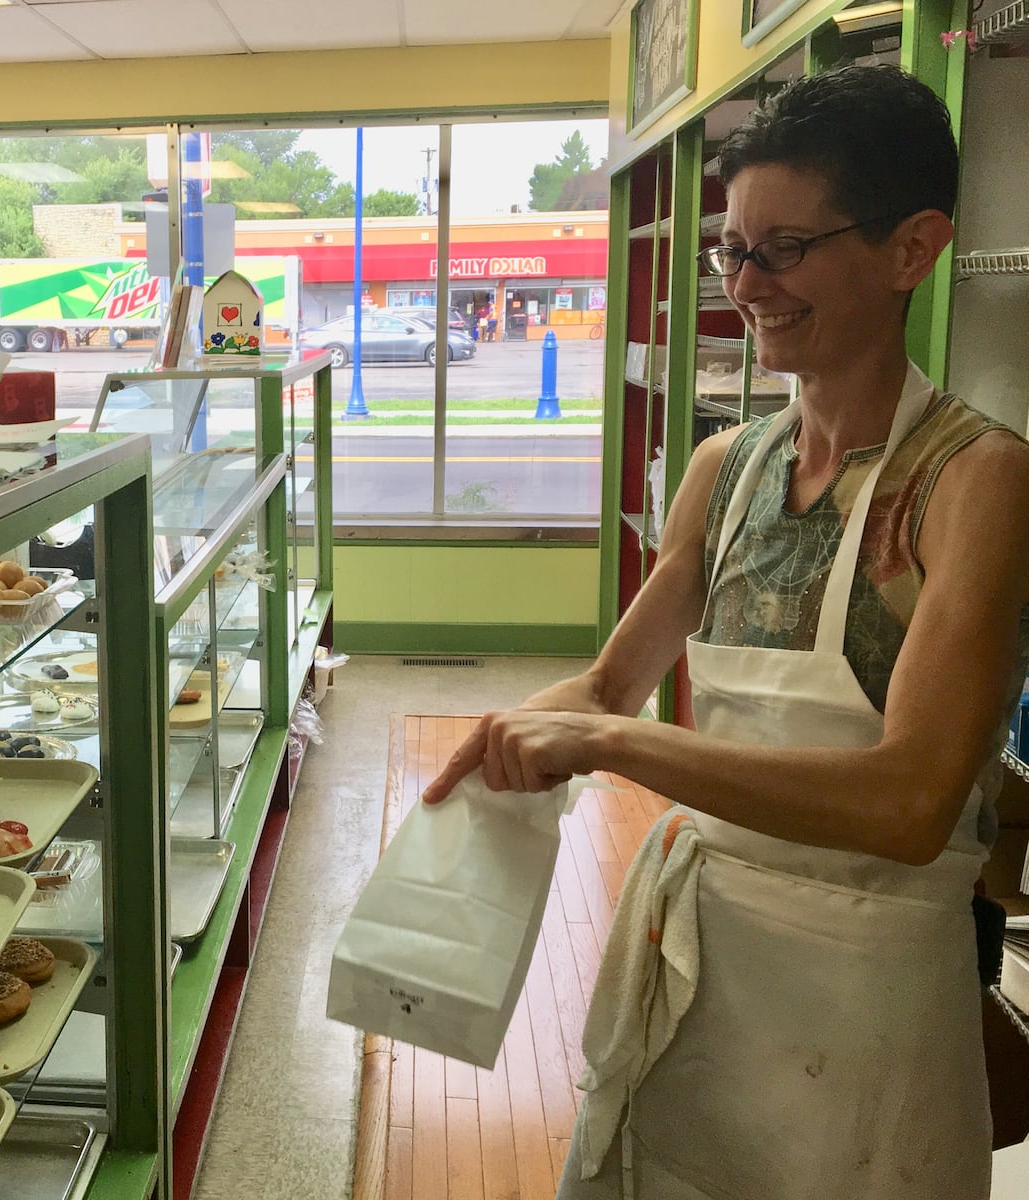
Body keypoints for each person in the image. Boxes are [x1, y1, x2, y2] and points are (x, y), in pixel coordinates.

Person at [422, 64, 1029, 1199]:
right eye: (732, 251)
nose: (745, 286)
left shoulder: (975, 481)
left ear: (913, 247)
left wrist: (613, 748)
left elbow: (908, 805)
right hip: (705, 963)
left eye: (784, 249)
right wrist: (490, 746)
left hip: (869, 998)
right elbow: (609, 686)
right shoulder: (728, 465)